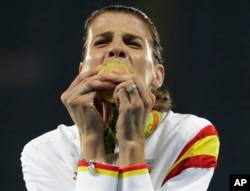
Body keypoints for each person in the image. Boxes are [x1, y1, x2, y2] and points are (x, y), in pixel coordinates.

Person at [21, 5, 220, 191]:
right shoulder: (45, 152)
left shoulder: (189, 137)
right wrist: (92, 140)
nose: (116, 49)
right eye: (101, 42)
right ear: (82, 72)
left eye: (133, 43)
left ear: (157, 76)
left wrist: (131, 143)